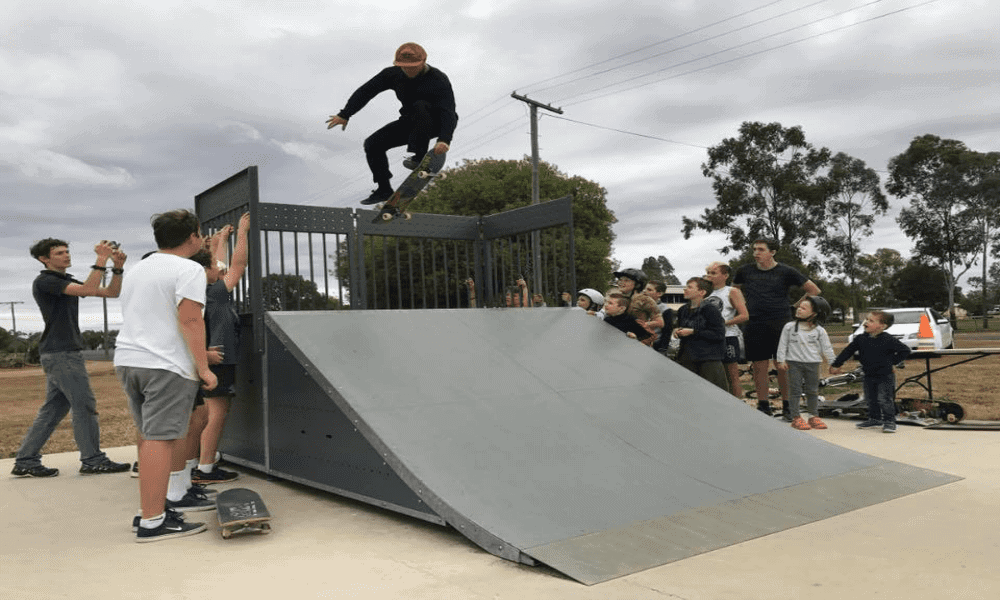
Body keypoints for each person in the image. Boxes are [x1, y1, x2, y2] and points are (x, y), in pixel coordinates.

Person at [115, 209, 218, 542]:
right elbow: (190, 320)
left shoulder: (138, 269)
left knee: (149, 437)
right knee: (160, 439)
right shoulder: (188, 269)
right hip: (165, 364)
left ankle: (153, 510)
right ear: (192, 237)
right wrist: (203, 367)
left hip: (129, 360)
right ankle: (153, 521)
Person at [10, 239, 131, 478]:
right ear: (44, 259)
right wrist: (100, 260)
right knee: (84, 405)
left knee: (54, 409)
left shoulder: (65, 280)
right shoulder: (46, 281)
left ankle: (26, 460)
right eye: (59, 253)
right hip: (61, 353)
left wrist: (116, 268)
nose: (66, 256)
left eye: (67, 251)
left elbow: (111, 292)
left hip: (62, 352)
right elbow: (87, 289)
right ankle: (93, 459)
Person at [326, 43, 458, 205]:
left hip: (437, 121)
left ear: (423, 62)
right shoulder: (391, 74)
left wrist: (445, 139)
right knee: (373, 144)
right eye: (404, 67)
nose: (408, 71)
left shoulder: (438, 79)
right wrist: (345, 114)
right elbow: (366, 91)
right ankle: (384, 189)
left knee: (420, 106)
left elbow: (448, 112)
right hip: (411, 122)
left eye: (413, 67)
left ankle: (419, 157)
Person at [190, 213, 250, 484]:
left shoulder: (200, 290)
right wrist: (243, 232)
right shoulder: (215, 292)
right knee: (215, 415)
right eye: (215, 264)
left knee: (205, 415)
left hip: (208, 357)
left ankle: (196, 463)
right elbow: (238, 265)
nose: (221, 268)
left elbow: (220, 264)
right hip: (219, 359)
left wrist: (221, 240)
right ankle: (205, 468)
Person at [733, 239, 820, 416]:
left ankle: (788, 405)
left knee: (782, 365)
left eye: (761, 249)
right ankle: (763, 405)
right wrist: (741, 307)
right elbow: (734, 291)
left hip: (780, 323)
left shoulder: (786, 271)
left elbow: (814, 290)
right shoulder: (744, 271)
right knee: (759, 366)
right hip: (754, 323)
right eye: (754, 249)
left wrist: (795, 306)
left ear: (772, 252)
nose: (756, 253)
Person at [830, 310, 912, 434]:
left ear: (882, 326)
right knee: (871, 398)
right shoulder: (861, 339)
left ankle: (890, 421)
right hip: (868, 374)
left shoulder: (888, 339)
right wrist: (836, 364)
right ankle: (874, 419)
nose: (866, 322)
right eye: (866, 319)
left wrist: (893, 362)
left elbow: (905, 350)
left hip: (885, 375)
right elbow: (848, 351)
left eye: (871, 320)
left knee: (884, 399)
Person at [776, 296, 836, 431]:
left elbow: (827, 348)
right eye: (799, 307)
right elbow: (783, 344)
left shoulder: (820, 331)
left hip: (813, 364)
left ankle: (813, 416)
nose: (799, 309)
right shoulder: (789, 327)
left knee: (813, 391)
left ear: (814, 314)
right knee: (795, 391)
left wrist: (833, 363)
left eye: (803, 308)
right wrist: (781, 360)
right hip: (794, 363)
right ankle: (795, 417)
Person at [673, 277, 729, 392]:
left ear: (702, 292)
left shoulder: (711, 310)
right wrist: (677, 330)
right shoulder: (683, 310)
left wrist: (693, 332)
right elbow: (680, 326)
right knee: (690, 394)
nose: (685, 289)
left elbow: (718, 334)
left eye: (690, 287)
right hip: (687, 358)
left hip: (708, 359)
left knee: (714, 394)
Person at [705, 262, 750, 398]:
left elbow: (744, 315)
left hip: (728, 337)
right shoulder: (704, 292)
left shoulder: (732, 291)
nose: (709, 276)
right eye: (708, 273)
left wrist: (724, 322)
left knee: (732, 375)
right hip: (708, 338)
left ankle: (738, 406)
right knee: (714, 375)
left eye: (713, 273)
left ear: (725, 275)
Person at [612, 269, 663, 347]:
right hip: (617, 340)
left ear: (638, 284)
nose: (620, 282)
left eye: (626, 280)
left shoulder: (645, 300)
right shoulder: (616, 298)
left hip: (637, 343)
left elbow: (660, 322)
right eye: (620, 279)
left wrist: (643, 324)